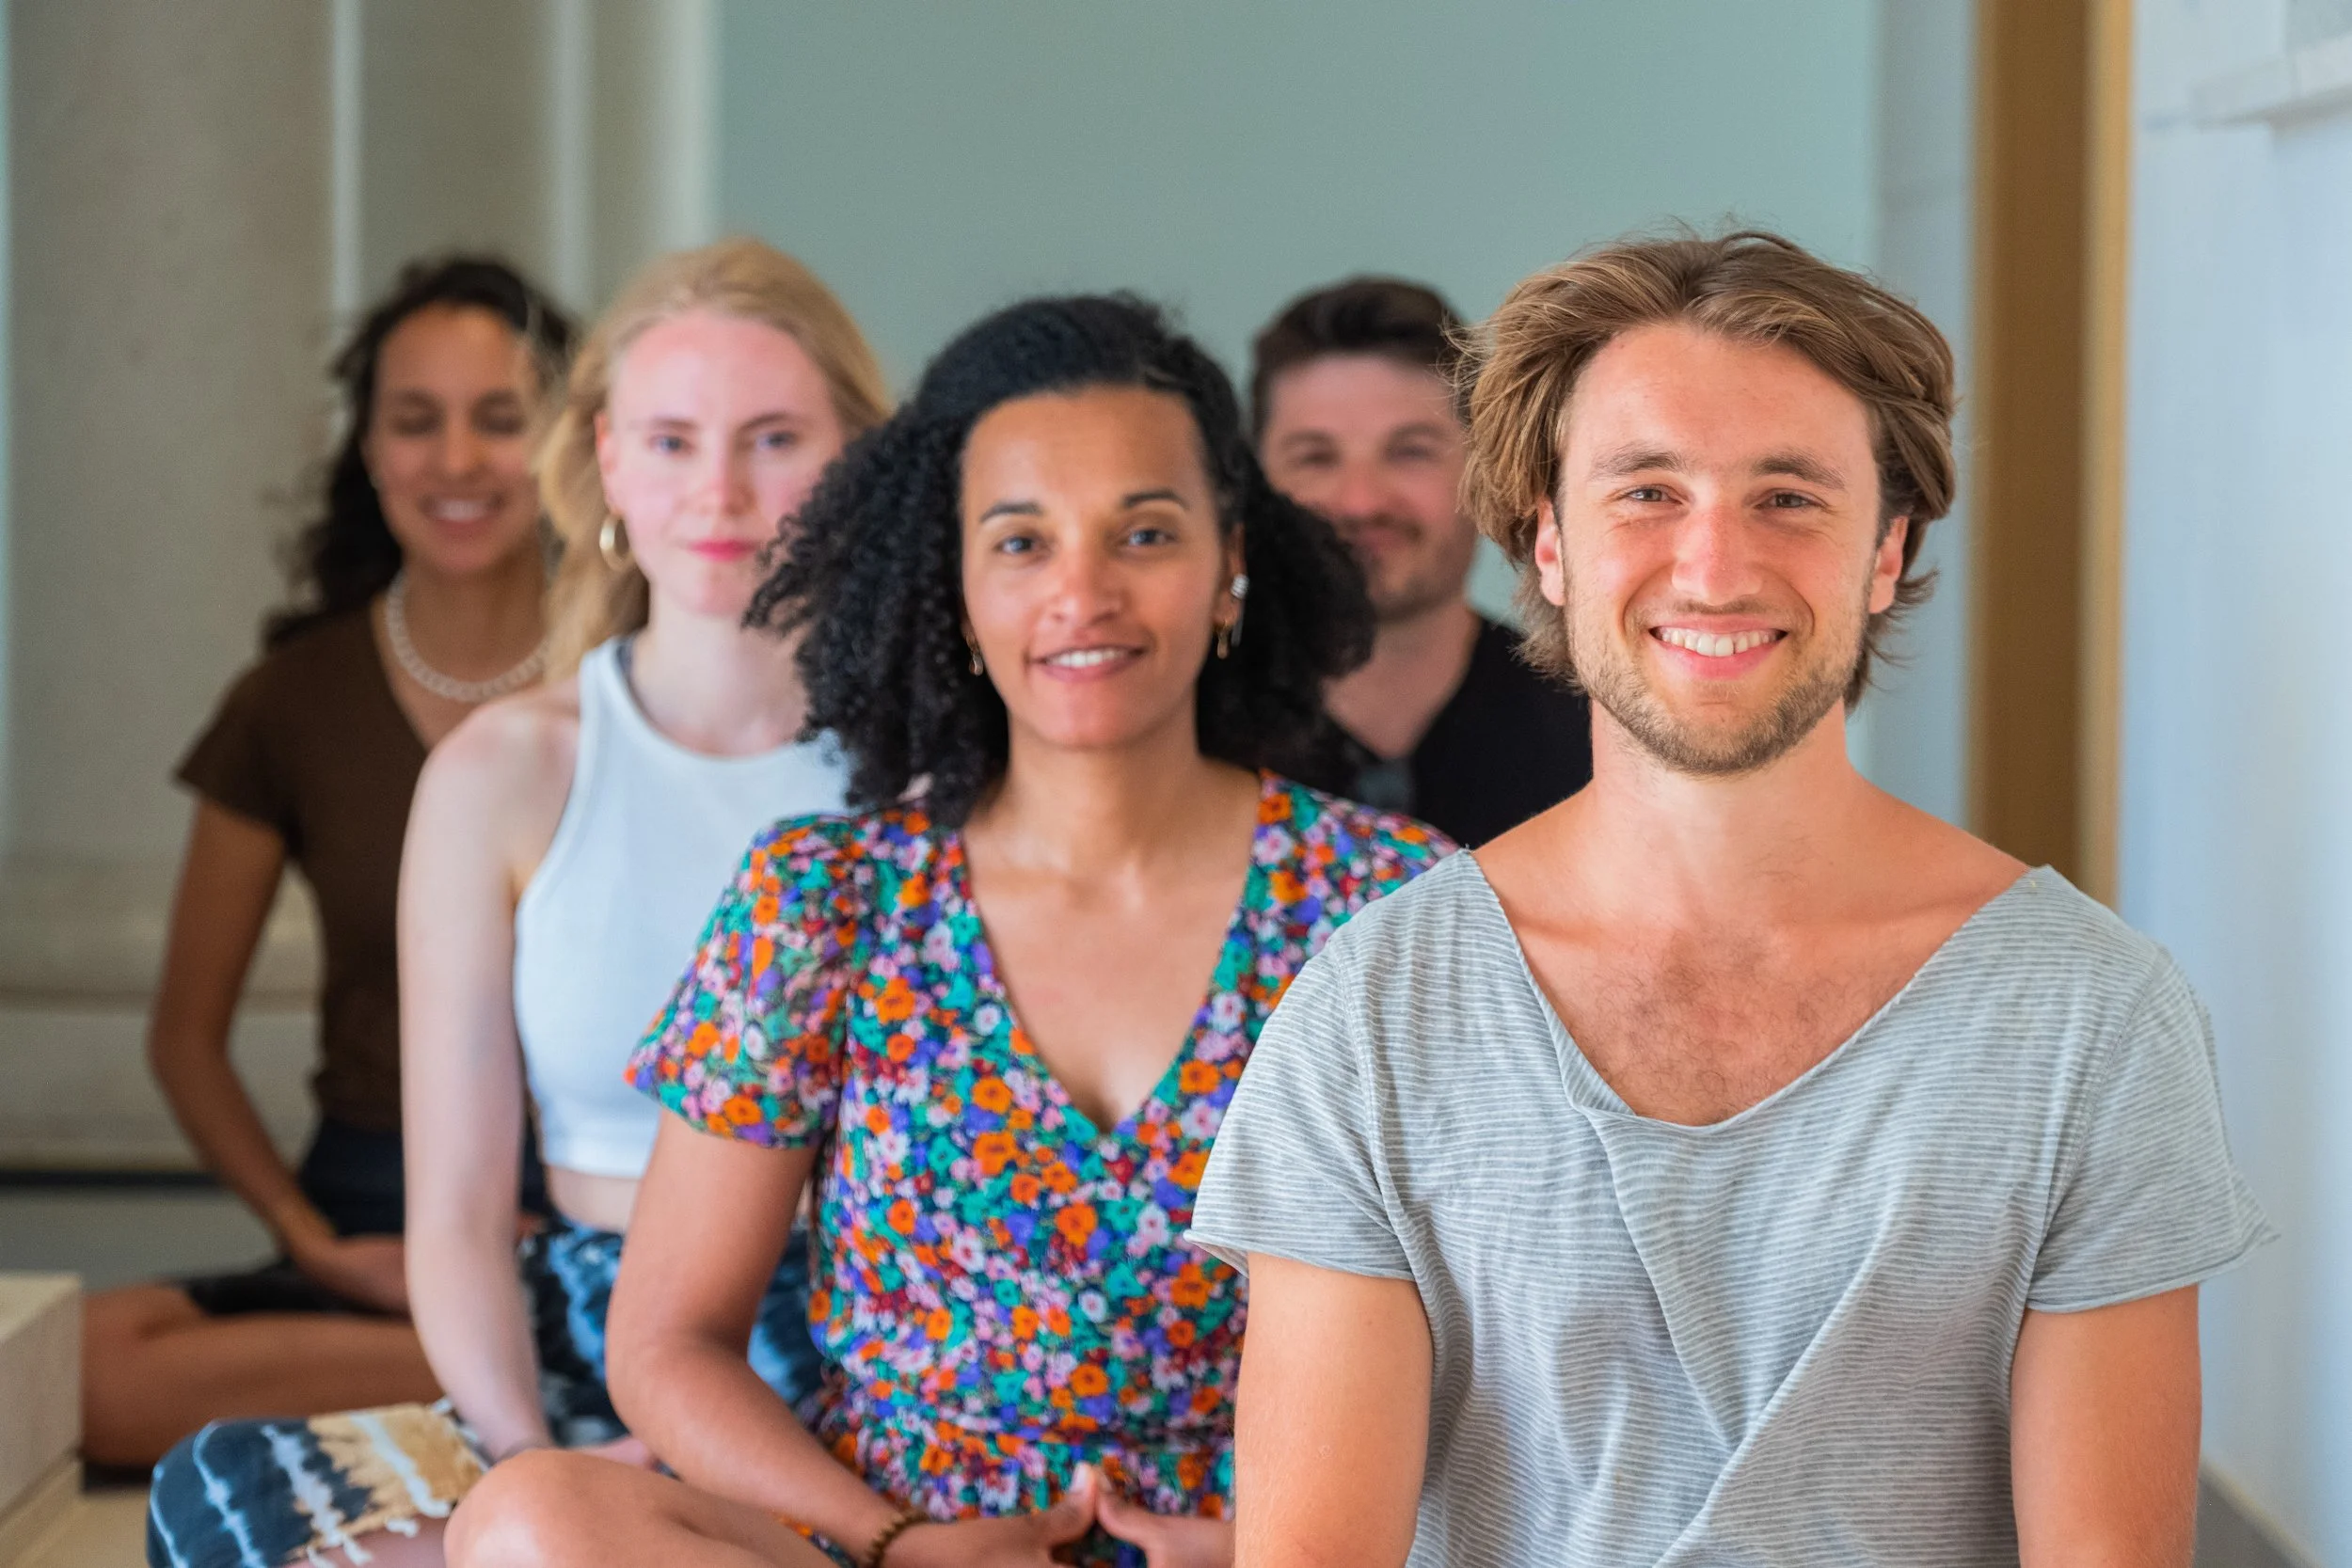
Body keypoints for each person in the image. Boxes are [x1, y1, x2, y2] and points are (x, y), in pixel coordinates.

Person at [1192, 231, 2272, 1566]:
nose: (1713, 566)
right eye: (1646, 490)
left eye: (1790, 497)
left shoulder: (2090, 1017)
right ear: (1549, 546)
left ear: (1886, 552)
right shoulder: (1372, 1013)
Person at [440, 294, 1451, 1568]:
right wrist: (896, 1537)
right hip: (912, 1546)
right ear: (956, 587)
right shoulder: (827, 900)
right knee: (532, 1518)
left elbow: (1511, 1343)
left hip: (1286, 1551)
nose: (1083, 592)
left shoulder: (1394, 909)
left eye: (1144, 531)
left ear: (1230, 562)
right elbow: (666, 1342)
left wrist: (1276, 1542)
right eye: (1021, 542)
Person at [143, 239, 891, 1568]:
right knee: (220, 1498)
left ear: (854, 462)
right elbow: (459, 1209)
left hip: (852, 1340)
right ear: (607, 461)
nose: (717, 490)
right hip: (570, 1328)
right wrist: (518, 1448)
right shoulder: (502, 770)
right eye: (670, 440)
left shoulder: (927, 774)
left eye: (773, 437)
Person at [84, 257, 575, 1469]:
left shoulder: (642, 676)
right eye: (417, 420)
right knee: (86, 1360)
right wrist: (312, 1243)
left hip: (591, 1205)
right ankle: (566, 1377)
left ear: (570, 442)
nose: (456, 460)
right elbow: (183, 1037)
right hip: (373, 1211)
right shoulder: (291, 697)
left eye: (500, 418)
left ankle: (566, 1349)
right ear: (368, 449)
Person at [1253, 277, 1590, 846]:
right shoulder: (1182, 741)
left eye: (1410, 451)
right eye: (1315, 457)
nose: (1361, 501)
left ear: (1485, 473)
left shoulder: (1598, 738)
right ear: (1256, 486)